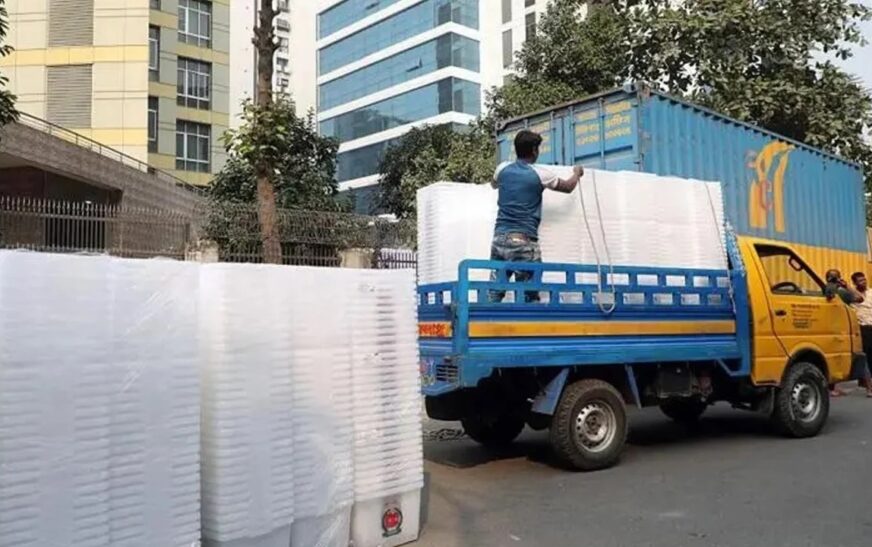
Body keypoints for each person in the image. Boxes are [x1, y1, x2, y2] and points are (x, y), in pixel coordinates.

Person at [488, 130, 584, 303]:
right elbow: (568, 187)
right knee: (528, 295)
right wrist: (577, 173)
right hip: (523, 243)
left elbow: (494, 184)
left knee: (495, 292)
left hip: (498, 240)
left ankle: (485, 324)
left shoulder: (501, 169)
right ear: (534, 150)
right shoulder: (541, 174)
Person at [825, 269, 865, 396]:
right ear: (839, 279)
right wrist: (846, 286)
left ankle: (830, 388)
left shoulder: (822, 290)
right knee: (838, 358)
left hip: (825, 328)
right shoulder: (842, 292)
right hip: (839, 329)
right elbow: (860, 299)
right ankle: (832, 388)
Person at [850, 271, 872, 398]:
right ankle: (869, 388)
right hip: (861, 329)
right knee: (865, 359)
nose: (863, 282)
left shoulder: (871, 292)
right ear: (855, 283)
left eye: (864, 280)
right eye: (860, 281)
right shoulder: (851, 294)